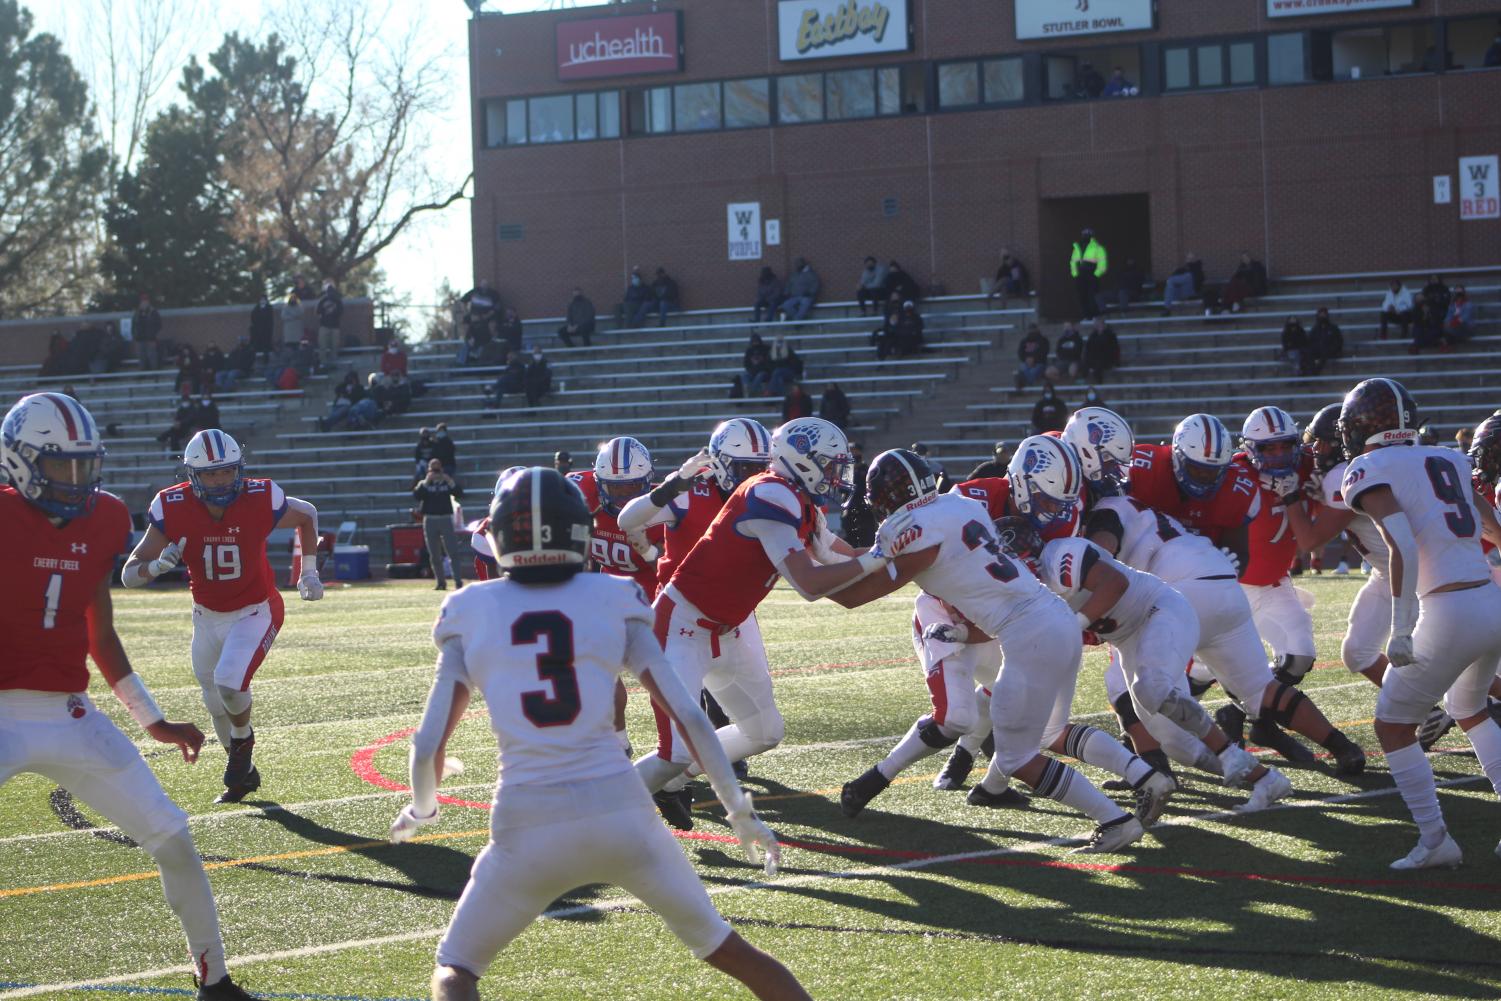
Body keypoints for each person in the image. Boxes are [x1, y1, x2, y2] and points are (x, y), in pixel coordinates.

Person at [387, 468, 806, 1001]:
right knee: (729, 950)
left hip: (525, 821)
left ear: (500, 535)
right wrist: (739, 812)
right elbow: (691, 716)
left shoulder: (468, 609)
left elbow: (427, 743)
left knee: (456, 970)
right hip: (623, 816)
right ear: (579, 531)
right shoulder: (615, 596)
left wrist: (423, 807)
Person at [0, 394, 261, 1000]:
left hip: (69, 714)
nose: (77, 478)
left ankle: (215, 981)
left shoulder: (106, 517)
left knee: (173, 836)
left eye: (86, 464)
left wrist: (152, 719)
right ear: (18, 463)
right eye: (61, 465)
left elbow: (100, 630)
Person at [829, 447, 1157, 850]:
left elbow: (858, 593)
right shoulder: (959, 504)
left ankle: (1115, 820)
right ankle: (1143, 778)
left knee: (1018, 757)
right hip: (1054, 619)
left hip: (1028, 636)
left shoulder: (912, 530)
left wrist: (809, 569)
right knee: (1048, 733)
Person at [634, 418, 893, 826]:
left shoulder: (798, 499)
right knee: (676, 750)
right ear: (802, 460)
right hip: (681, 625)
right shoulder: (770, 494)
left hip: (733, 628)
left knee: (763, 730)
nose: (834, 474)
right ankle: (595, 814)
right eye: (828, 464)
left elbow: (837, 555)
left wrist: (892, 552)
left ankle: (672, 781)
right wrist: (877, 559)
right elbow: (809, 583)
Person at [1337, 379, 1501, 868]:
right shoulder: (1447, 458)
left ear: (1363, 426)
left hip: (1448, 611)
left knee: (1392, 725)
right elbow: (1490, 522)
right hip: (1489, 601)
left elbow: (1402, 545)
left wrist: (1402, 628)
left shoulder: (1366, 468)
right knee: (1468, 706)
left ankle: (1435, 839)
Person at [123, 429, 323, 804]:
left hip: (256, 609)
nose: (221, 480)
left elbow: (307, 515)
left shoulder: (260, 497)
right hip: (205, 617)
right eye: (212, 474)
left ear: (239, 469)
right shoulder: (172, 505)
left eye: (228, 472)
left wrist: (308, 571)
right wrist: (156, 567)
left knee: (230, 682)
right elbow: (129, 575)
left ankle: (243, 741)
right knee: (214, 701)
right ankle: (243, 775)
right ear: (192, 476)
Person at [412, 459, 466, 590]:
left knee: (452, 551)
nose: (436, 472)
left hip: (445, 519)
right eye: (433, 469)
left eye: (438, 469)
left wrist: (449, 481)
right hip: (430, 519)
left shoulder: (446, 483)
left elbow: (459, 493)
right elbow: (417, 495)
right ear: (429, 470)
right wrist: (426, 481)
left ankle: (458, 581)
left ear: (442, 469)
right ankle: (440, 582)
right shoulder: (424, 483)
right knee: (434, 554)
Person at [1070, 228, 1107, 320]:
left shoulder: (1098, 248)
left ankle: (1095, 314)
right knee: (1082, 296)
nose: (1085, 237)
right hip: (1080, 276)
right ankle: (1086, 315)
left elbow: (1102, 264)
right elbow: (1073, 262)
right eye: (1084, 235)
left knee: (1092, 296)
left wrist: (1096, 275)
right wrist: (1075, 274)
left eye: (1087, 235)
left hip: (1091, 275)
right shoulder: (1077, 248)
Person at [315, 280, 342, 370]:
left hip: (335, 326)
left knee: (335, 346)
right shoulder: (322, 300)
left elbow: (341, 312)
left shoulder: (338, 300)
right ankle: (323, 364)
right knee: (322, 346)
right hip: (324, 326)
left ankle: (334, 363)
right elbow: (318, 312)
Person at [1307, 307, 1344, 374]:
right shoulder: (1315, 329)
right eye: (1321, 314)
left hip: (1330, 351)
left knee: (1324, 353)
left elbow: (1338, 341)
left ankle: (1315, 371)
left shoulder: (1333, 328)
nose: (1322, 316)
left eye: (1324, 314)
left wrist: (1331, 349)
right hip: (1318, 352)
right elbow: (1310, 341)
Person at [1083, 317, 1120, 384]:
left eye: (1100, 324)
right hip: (1094, 357)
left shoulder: (1110, 335)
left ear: (1104, 325)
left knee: (1098, 365)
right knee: (1084, 365)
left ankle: (1099, 383)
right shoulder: (1092, 335)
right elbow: (1088, 348)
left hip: (1106, 358)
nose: (1098, 326)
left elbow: (1115, 349)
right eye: (1097, 324)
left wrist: (1116, 362)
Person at [1014, 325, 1050, 392]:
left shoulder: (1043, 340)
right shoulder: (1024, 341)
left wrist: (1034, 360)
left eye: (1033, 329)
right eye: (1031, 329)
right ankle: (1027, 384)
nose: (1032, 331)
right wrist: (1026, 359)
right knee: (1023, 367)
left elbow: (1044, 352)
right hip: (1026, 363)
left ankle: (1025, 384)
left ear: (1037, 329)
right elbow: (1020, 353)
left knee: (1033, 371)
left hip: (1039, 362)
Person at [133, 292, 163, 369]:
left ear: (148, 302)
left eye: (146, 300)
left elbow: (159, 325)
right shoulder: (136, 313)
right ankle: (142, 372)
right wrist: (135, 336)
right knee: (141, 356)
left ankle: (154, 372)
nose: (144, 302)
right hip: (140, 339)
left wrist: (153, 334)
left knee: (152, 356)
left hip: (150, 339)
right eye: (142, 301)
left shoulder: (153, 312)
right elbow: (134, 325)